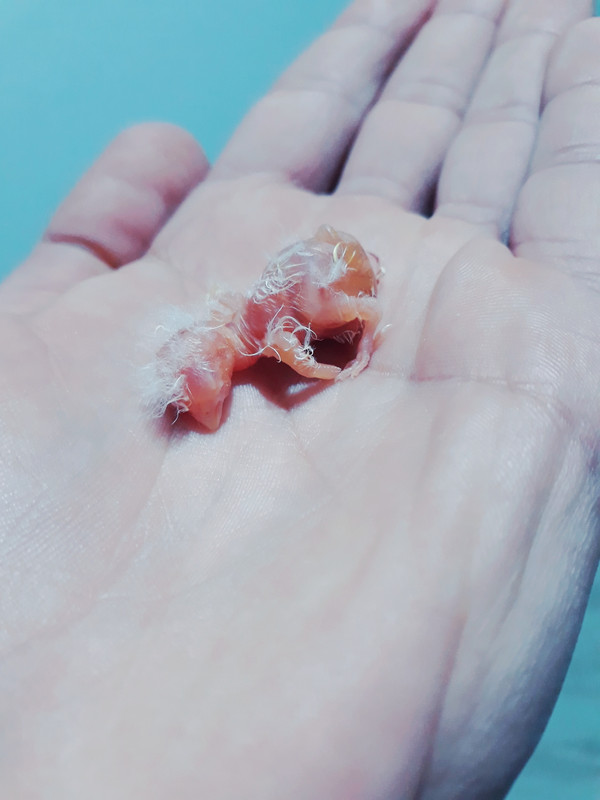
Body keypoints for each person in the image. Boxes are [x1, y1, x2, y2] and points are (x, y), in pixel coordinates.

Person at [0, 0, 598, 797]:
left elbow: (318, 329)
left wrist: (337, 348)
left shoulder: (291, 311)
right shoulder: (249, 330)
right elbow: (265, 354)